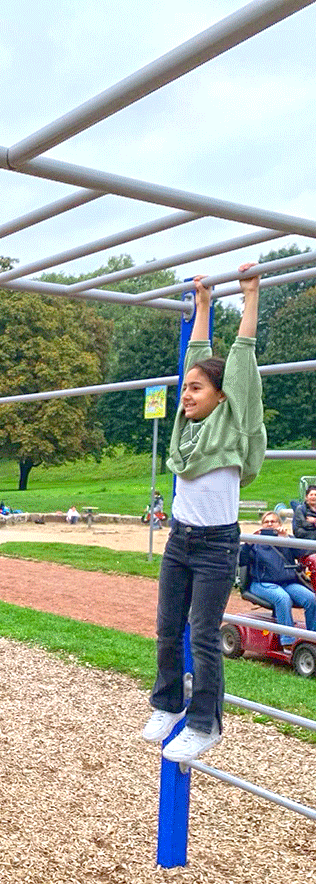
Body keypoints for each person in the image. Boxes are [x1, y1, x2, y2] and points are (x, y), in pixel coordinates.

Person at [141, 265, 266, 764]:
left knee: (204, 634)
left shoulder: (232, 425)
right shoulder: (185, 432)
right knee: (168, 627)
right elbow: (195, 357)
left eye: (197, 389)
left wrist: (249, 296)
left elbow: (239, 361)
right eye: (185, 388)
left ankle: (205, 722)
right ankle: (168, 705)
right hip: (180, 540)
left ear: (221, 396)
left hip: (216, 545)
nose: (187, 395)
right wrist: (203, 304)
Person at [243, 511, 316, 651]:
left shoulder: (285, 540)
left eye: (273, 521)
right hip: (261, 583)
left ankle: (312, 637)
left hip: (287, 583)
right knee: (283, 598)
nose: (270, 524)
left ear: (279, 524)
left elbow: (304, 552)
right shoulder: (256, 542)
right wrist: (248, 544)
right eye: (267, 522)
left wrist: (287, 538)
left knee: (311, 599)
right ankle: (287, 641)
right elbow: (242, 561)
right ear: (262, 525)